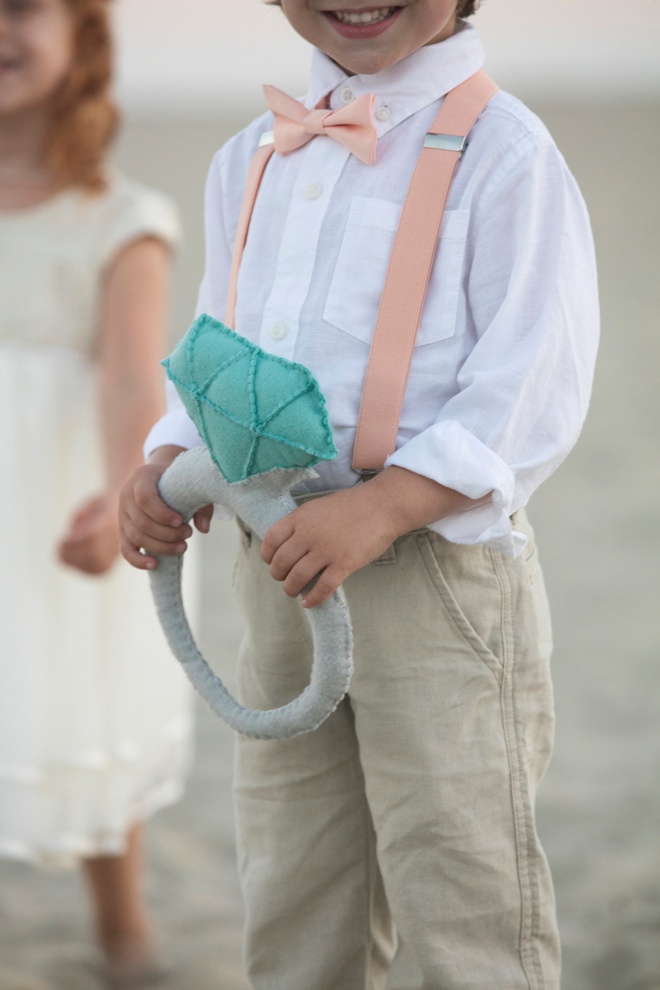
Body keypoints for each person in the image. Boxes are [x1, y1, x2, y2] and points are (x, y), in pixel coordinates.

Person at [119, 0, 599, 987]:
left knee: (460, 878)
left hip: (433, 574)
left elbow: (531, 380)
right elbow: (220, 347)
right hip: (277, 561)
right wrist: (166, 457)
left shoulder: (505, 151)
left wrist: (386, 506)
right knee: (294, 874)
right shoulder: (253, 152)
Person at [0, 0, 194, 985]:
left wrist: (120, 485)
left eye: (21, 8)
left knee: (78, 701)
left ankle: (121, 929)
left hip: (50, 507)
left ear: (86, 39)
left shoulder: (121, 217)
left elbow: (131, 379)